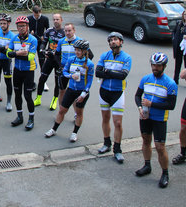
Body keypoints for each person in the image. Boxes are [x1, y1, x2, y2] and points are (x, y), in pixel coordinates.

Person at [134, 52, 177, 188]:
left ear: (164, 66)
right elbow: (137, 95)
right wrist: (140, 107)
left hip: (159, 118)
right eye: (153, 65)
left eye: (158, 66)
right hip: (145, 116)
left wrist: (152, 104)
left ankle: (165, 173)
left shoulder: (170, 83)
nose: (155, 68)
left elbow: (171, 105)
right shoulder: (146, 79)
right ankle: (147, 165)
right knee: (146, 140)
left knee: (160, 147)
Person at [45, 39, 94, 142]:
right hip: (71, 89)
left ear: (85, 51)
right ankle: (54, 129)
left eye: (79, 50)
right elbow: (64, 72)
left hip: (81, 92)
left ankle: (74, 133)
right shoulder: (71, 59)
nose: (77, 52)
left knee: (79, 113)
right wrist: (71, 76)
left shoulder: (89, 64)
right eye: (75, 50)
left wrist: (84, 94)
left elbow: (89, 82)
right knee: (62, 110)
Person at [95, 32, 132, 163]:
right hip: (104, 92)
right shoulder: (104, 55)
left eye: (115, 40)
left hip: (117, 93)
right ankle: (106, 143)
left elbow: (123, 75)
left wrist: (107, 72)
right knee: (105, 119)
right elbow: (97, 72)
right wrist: (111, 73)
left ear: (121, 42)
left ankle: (117, 149)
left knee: (117, 122)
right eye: (110, 40)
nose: (113, 42)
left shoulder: (127, 57)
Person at [6, 16, 38, 130]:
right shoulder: (14, 38)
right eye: (19, 26)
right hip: (17, 70)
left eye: (23, 26)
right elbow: (7, 54)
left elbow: (30, 57)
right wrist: (19, 53)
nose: (21, 28)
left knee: (27, 96)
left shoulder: (33, 40)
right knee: (17, 95)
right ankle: (19, 116)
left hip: (28, 71)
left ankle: (31, 118)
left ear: (27, 26)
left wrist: (15, 53)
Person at [34, 13, 65, 110]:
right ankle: (38, 98)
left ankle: (54, 100)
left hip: (59, 60)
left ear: (61, 20)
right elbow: (44, 42)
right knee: (42, 78)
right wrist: (42, 50)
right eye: (54, 19)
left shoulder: (64, 32)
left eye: (57, 19)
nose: (55, 21)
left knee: (57, 82)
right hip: (49, 59)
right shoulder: (49, 31)